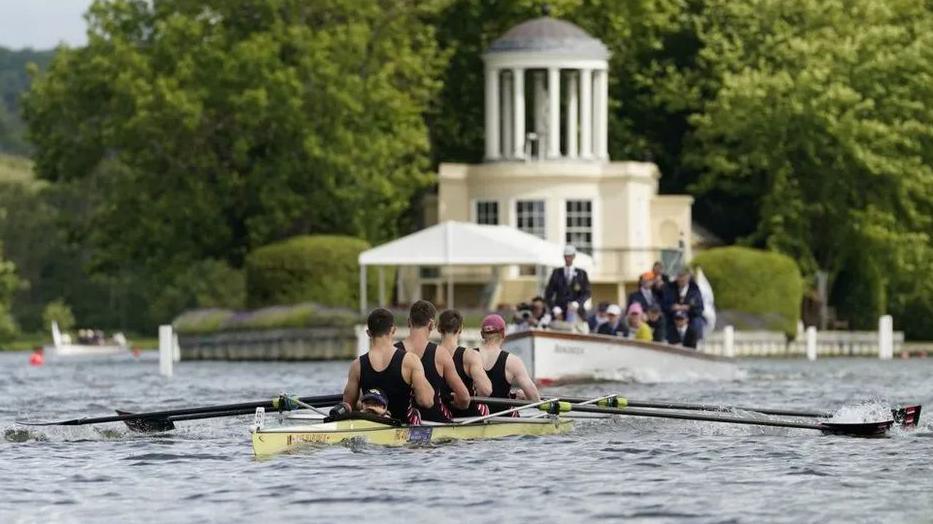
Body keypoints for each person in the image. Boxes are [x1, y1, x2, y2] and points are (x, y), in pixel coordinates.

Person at [341, 308, 434, 424]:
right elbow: (427, 401)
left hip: (370, 427)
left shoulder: (357, 365)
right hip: (403, 430)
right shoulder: (410, 361)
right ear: (393, 330)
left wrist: (365, 404)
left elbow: (348, 405)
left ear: (368, 333)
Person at [395, 300, 471, 422]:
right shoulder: (440, 354)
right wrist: (458, 405)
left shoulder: (393, 351)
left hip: (399, 421)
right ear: (432, 324)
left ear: (409, 322)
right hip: (435, 422)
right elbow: (465, 398)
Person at [437, 309, 493, 418]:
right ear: (461, 328)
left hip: (438, 416)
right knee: (484, 407)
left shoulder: (429, 354)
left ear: (439, 328)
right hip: (467, 417)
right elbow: (486, 391)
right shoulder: (470, 356)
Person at [477, 314, 539, 407]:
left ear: (482, 334)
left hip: (473, 414)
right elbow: (534, 398)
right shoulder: (513, 361)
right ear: (503, 334)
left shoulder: (467, 355)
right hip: (501, 416)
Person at [545, 245, 591, 317]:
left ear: (574, 257)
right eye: (566, 256)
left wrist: (578, 303)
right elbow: (548, 293)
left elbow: (587, 293)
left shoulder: (581, 273)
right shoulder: (556, 272)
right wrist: (554, 307)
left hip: (577, 311)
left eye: (570, 256)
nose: (567, 258)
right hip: (559, 312)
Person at [669, 267, 705, 340]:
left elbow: (700, 308)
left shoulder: (694, 290)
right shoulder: (670, 289)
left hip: (690, 317)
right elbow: (665, 304)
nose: (682, 279)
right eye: (680, 276)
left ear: (688, 277)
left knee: (697, 322)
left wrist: (688, 308)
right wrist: (673, 307)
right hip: (673, 316)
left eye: (684, 276)